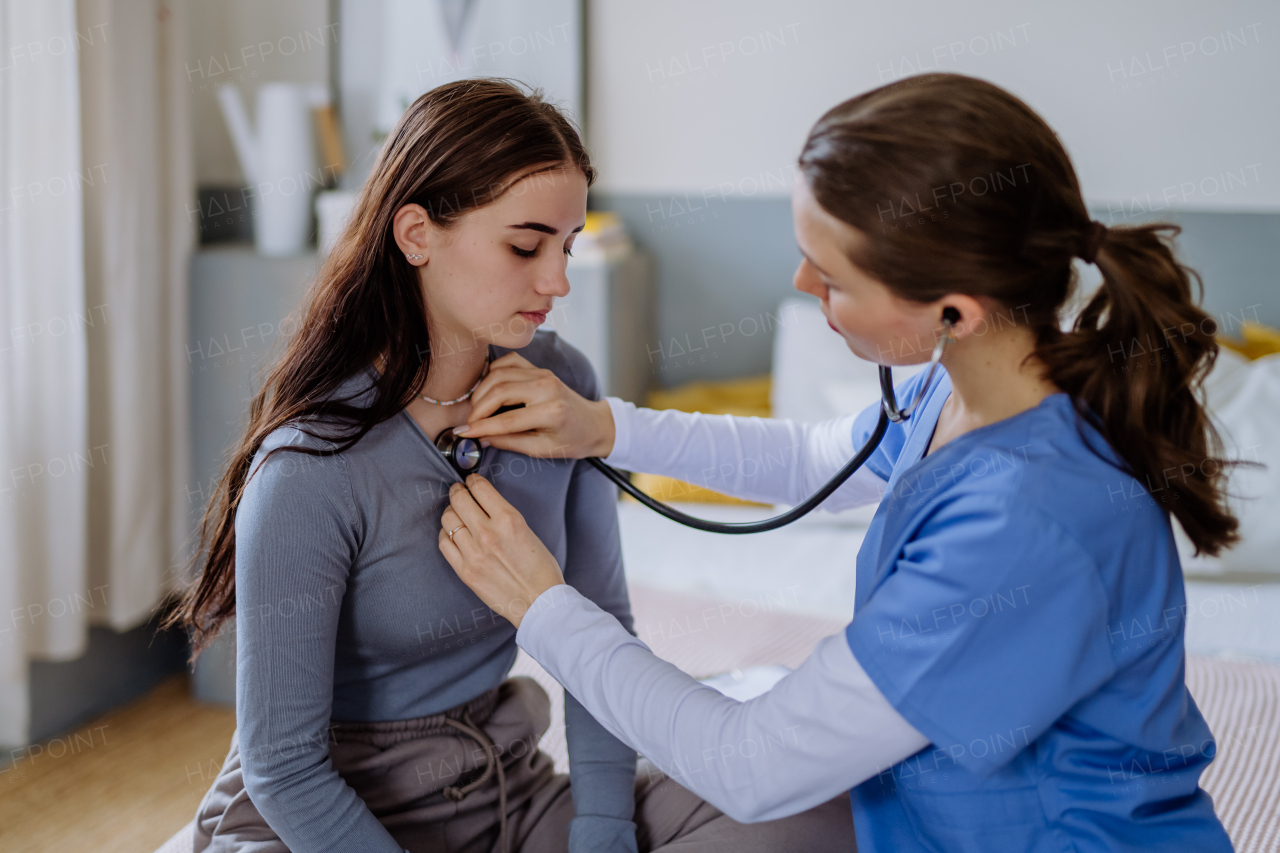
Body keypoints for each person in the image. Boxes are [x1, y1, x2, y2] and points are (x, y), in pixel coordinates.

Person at [437, 73, 1241, 852]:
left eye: (830, 277)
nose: (799, 282)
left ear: (953, 310)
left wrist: (542, 604)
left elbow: (751, 766)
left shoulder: (1023, 523)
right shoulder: (967, 387)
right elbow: (816, 458)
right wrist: (606, 427)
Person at [160, 79, 852, 853]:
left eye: (566, 246)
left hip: (500, 797)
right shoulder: (310, 466)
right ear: (416, 233)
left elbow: (603, 635)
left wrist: (602, 837)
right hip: (321, 827)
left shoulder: (565, 391)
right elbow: (285, 769)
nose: (556, 281)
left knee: (815, 808)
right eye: (525, 246)